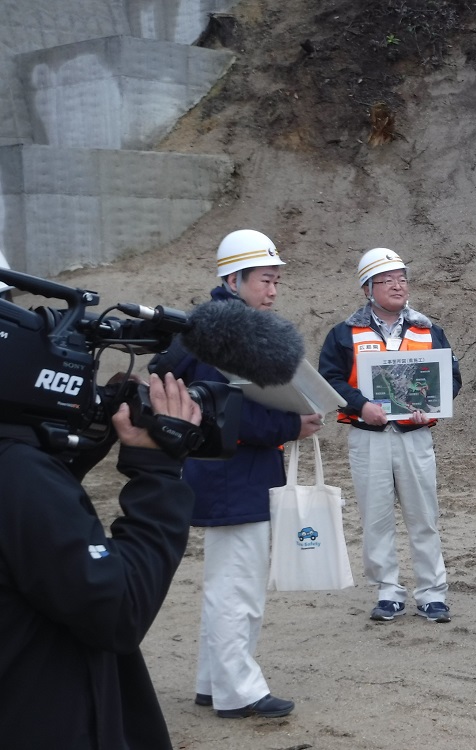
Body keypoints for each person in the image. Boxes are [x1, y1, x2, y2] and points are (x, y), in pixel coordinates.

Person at [151, 229, 323, 718]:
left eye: (275, 281)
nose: (272, 290)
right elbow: (224, 414)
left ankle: (214, 681)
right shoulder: (223, 339)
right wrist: (293, 423)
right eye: (265, 280)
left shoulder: (207, 332)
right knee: (238, 588)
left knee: (227, 583)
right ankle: (238, 691)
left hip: (224, 474)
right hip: (234, 474)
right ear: (233, 279)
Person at [0, 372, 202, 749]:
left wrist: (80, 445)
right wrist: (157, 470)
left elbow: (32, 535)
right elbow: (118, 609)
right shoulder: (16, 473)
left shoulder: (21, 473)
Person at [319, 247, 461, 623]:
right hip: (368, 437)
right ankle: (388, 591)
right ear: (368, 287)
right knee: (376, 517)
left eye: (402, 278)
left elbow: (451, 378)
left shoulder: (428, 330)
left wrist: (429, 408)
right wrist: (358, 405)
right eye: (387, 280)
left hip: (415, 436)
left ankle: (432, 593)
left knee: (424, 516)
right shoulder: (344, 334)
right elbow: (329, 379)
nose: (398, 286)